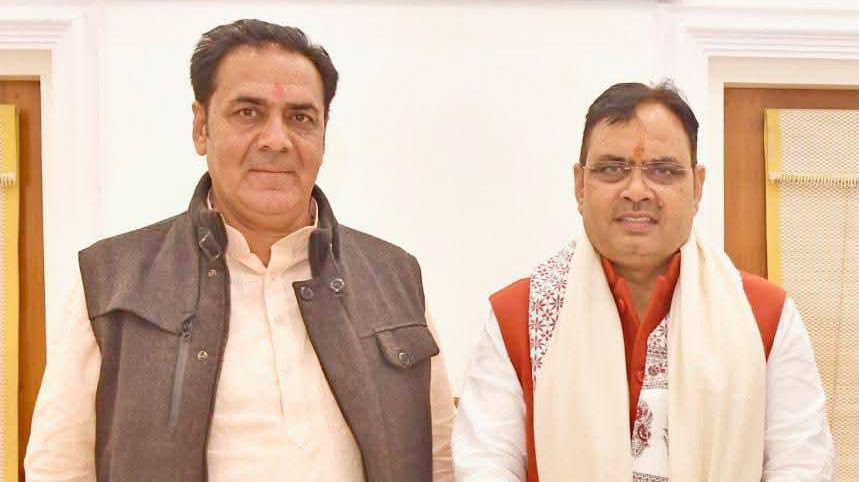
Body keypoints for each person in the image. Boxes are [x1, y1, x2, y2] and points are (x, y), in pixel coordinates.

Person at [25, 19, 454, 482]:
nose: (276, 140)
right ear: (201, 128)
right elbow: (58, 468)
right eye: (249, 112)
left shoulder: (395, 279)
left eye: (300, 118)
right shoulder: (113, 283)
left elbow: (441, 459)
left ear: (323, 135)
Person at [453, 82, 834, 481]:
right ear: (580, 185)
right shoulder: (518, 317)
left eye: (663, 171)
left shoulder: (765, 317)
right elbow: (485, 463)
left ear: (697, 187)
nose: (636, 191)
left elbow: (801, 464)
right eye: (612, 169)